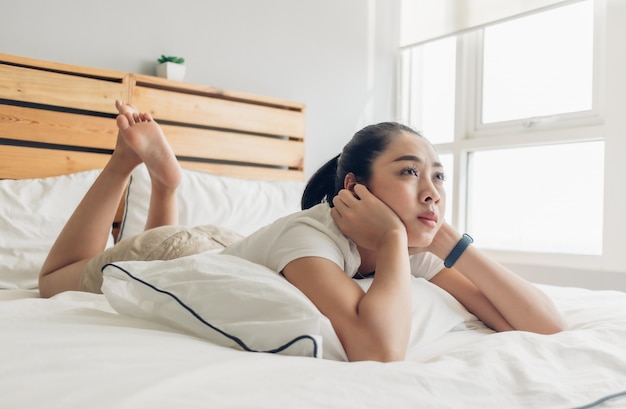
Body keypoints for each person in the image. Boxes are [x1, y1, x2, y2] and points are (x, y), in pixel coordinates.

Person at [39, 101, 566, 362]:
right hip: (180, 249)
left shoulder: (409, 245)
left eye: (437, 176)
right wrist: (388, 240)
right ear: (355, 187)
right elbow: (378, 350)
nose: (431, 190)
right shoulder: (310, 239)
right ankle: (128, 164)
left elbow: (544, 327)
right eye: (408, 172)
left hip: (227, 247)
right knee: (53, 281)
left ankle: (166, 184)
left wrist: (448, 240)